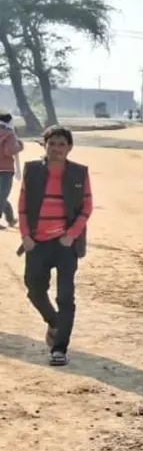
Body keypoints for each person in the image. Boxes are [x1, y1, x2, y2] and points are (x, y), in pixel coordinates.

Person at [18, 126, 92, 367]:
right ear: (44, 145)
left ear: (69, 147)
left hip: (65, 244)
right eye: (52, 144)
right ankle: (54, 322)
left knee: (65, 296)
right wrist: (26, 236)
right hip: (37, 243)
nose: (57, 148)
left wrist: (71, 235)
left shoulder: (80, 173)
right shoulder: (32, 171)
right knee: (34, 288)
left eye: (62, 144)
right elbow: (23, 207)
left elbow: (86, 208)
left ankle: (59, 348)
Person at [0, 112, 22, 230]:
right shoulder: (9, 134)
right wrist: (20, 146)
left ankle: (10, 219)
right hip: (5, 169)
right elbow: (9, 151)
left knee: (2, 195)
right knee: (2, 195)